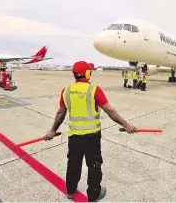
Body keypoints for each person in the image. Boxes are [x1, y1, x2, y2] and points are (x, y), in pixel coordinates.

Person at [43, 61, 137, 202]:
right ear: (87, 73)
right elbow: (109, 110)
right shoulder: (94, 90)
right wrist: (126, 124)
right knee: (94, 165)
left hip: (74, 136)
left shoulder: (66, 90)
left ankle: (70, 191)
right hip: (92, 137)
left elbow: (60, 113)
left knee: (73, 164)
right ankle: (93, 194)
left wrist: (52, 130)